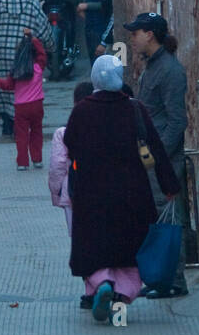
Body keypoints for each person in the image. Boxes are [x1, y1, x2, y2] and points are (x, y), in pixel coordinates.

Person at [64, 55, 180, 321]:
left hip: (91, 194)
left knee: (94, 247)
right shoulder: (135, 109)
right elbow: (156, 148)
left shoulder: (82, 110)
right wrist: (169, 185)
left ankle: (103, 282)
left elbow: (70, 145)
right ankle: (121, 295)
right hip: (132, 194)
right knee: (129, 249)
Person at [125, 12, 190, 298]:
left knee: (169, 219)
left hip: (163, 160)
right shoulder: (153, 67)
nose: (133, 39)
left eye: (136, 33)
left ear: (149, 34)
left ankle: (174, 282)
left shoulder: (170, 71)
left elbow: (177, 121)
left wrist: (158, 157)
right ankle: (160, 277)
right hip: (152, 158)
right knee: (157, 217)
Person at [0, 0, 54, 138]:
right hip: (25, 55)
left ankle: (8, 125)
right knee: (23, 90)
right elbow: (43, 27)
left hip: (3, 54)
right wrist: (49, 46)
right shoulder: (32, 1)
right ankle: (21, 126)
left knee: (6, 88)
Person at [48, 78, 95, 265]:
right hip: (102, 188)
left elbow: (57, 166)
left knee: (80, 239)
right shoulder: (103, 127)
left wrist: (56, 191)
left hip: (72, 191)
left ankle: (92, 282)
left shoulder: (63, 133)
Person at [0, 30, 47, 170]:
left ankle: (22, 163)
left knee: (21, 135)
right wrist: (33, 39)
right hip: (37, 105)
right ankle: (37, 159)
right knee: (37, 132)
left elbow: (7, 85)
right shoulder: (38, 67)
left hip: (21, 107)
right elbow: (42, 54)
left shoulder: (15, 71)